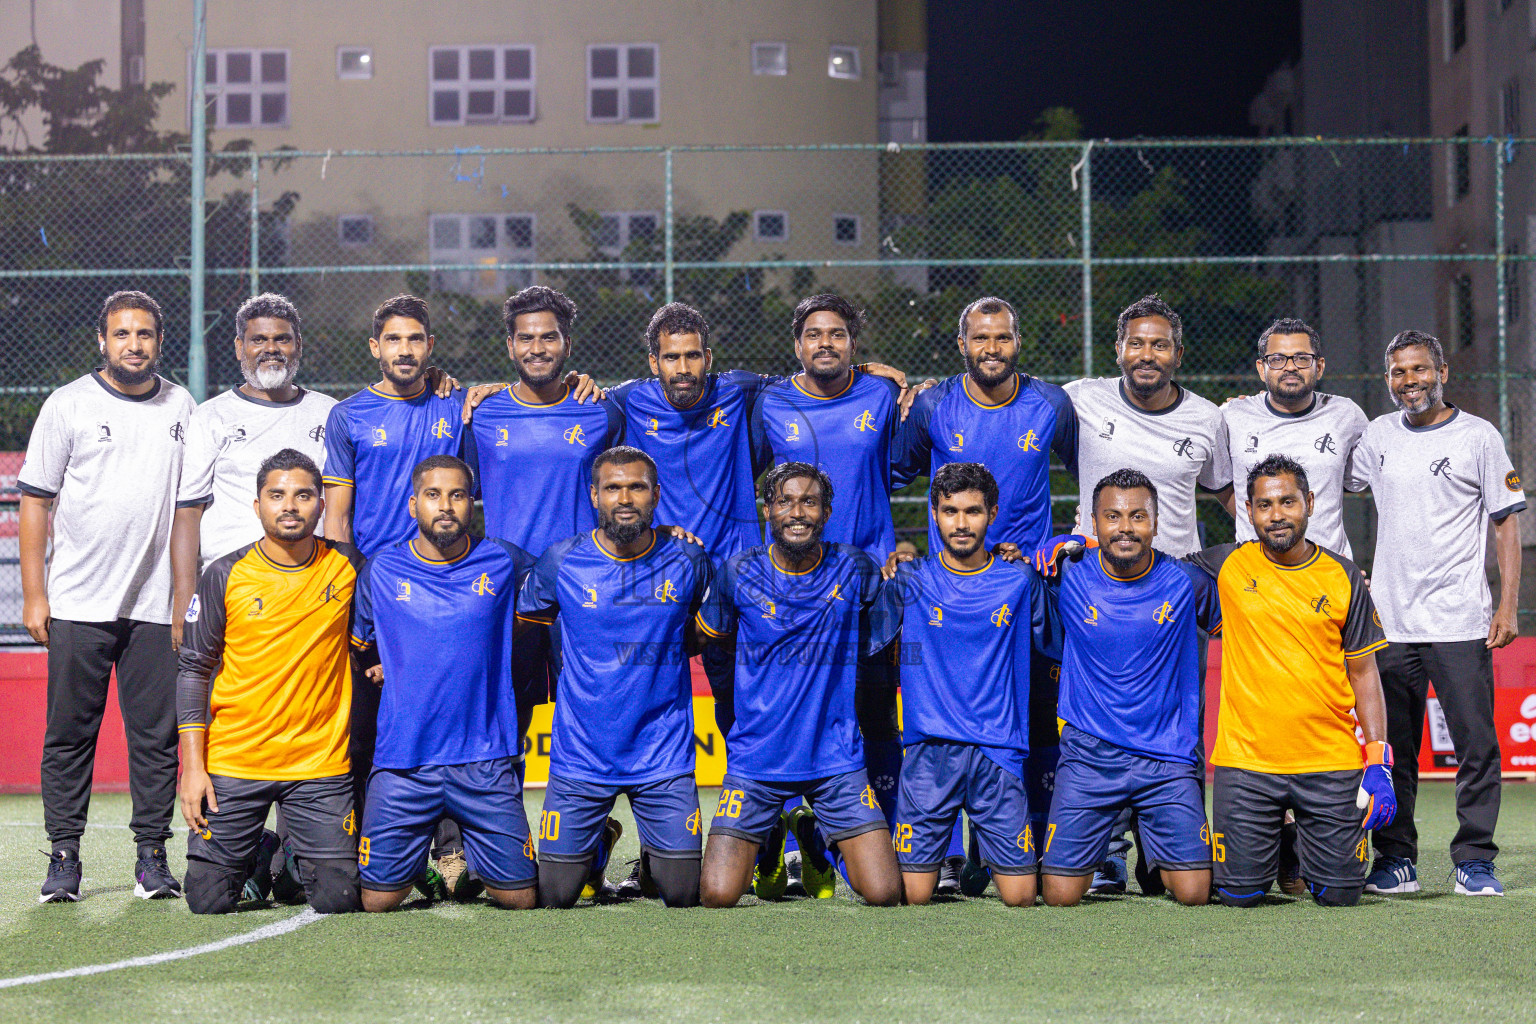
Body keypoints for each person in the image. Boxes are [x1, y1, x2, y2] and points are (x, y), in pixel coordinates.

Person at [21, 290, 195, 903]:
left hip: (153, 605)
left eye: (144, 333)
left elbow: (187, 510)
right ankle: (64, 857)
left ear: (159, 341)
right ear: (102, 340)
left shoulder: (183, 405)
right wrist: (35, 594)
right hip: (76, 603)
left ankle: (152, 856)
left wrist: (183, 597)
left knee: (156, 737)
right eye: (121, 334)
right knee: (70, 733)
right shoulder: (67, 404)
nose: (133, 344)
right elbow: (36, 501)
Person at [900, 294, 1077, 893]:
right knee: (943, 713)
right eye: (981, 338)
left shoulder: (1051, 403)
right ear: (962, 345)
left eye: (1002, 338)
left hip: (1025, 589)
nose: (992, 349)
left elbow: (1096, 476)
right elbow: (896, 469)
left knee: (1033, 722)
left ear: (1017, 342)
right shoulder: (932, 403)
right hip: (946, 595)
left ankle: (1030, 840)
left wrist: (1061, 542)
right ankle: (945, 852)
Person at [1347, 330, 1525, 897]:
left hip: (1459, 620)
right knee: (1393, 751)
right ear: (1389, 380)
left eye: (1420, 369)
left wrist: (1508, 605)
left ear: (1442, 372)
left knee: (1476, 746)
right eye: (1399, 372)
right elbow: (1327, 486)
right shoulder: (1376, 436)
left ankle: (1474, 860)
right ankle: (1397, 859)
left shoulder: (1478, 436)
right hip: (1390, 623)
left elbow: (1506, 523)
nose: (1410, 381)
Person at [1063, 294, 1231, 894]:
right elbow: (1008, 396)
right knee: (1099, 715)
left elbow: (1229, 495)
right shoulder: (1082, 399)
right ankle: (1105, 852)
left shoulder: (1210, 419)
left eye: (1159, 344)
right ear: (1118, 350)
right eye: (1136, 343)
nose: (1147, 354)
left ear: (1178, 354)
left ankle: (1165, 852)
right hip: (1098, 584)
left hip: (1175, 591)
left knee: (1180, 718)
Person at [320, 294, 487, 895]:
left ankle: (456, 852)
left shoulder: (452, 400)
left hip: (448, 589)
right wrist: (361, 589)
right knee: (369, 723)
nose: (406, 350)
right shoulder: (349, 417)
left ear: (430, 348)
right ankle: (380, 846)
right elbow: (337, 521)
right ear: (375, 348)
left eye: (416, 340)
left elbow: (475, 476)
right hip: (378, 591)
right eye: (394, 340)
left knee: (451, 717)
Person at [1184, 454, 1395, 908]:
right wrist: (1079, 545)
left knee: (1340, 895)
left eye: (1287, 502)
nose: (1276, 515)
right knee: (1240, 896)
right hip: (1247, 763)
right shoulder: (1225, 566)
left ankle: (1299, 842)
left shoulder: (1342, 576)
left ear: (1310, 503)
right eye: (1264, 505)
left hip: (1328, 760)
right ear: (1248, 510)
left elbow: (1364, 673)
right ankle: (1278, 846)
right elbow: (1146, 565)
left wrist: (1378, 759)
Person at [695, 463, 901, 908]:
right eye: (785, 501)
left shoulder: (855, 568)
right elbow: (715, 649)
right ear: (767, 510)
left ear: (826, 512)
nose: (797, 512)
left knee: (884, 893)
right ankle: (770, 839)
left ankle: (817, 842)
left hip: (836, 760)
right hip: (757, 760)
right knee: (716, 895)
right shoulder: (738, 572)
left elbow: (877, 646)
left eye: (809, 501)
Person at [516, 447, 713, 908]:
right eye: (613, 488)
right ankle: (600, 842)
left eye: (637, 487)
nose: (625, 497)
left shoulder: (688, 559)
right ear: (594, 495)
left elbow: (708, 629)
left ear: (656, 495)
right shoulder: (561, 561)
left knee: (682, 895)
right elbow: (527, 626)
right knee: (553, 898)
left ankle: (652, 858)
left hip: (662, 754)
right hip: (581, 755)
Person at [748, 295, 910, 848]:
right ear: (796, 345)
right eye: (814, 334)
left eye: (837, 334)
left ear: (854, 345)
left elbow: (910, 465)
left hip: (868, 586)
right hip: (792, 589)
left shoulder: (884, 394)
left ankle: (888, 835)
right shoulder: (769, 402)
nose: (825, 343)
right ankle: (795, 847)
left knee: (876, 715)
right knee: (793, 715)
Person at [176, 450, 365, 914]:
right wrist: (194, 769)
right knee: (206, 901)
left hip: (318, 764)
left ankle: (297, 859)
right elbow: (194, 670)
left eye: (303, 495)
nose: (289, 506)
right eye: (276, 495)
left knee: (340, 900)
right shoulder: (224, 574)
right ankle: (261, 848)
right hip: (237, 760)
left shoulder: (349, 567)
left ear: (321, 505)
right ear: (256, 504)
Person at [350, 455, 538, 911]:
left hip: (485, 760)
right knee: (377, 903)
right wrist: (384, 664)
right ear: (414, 504)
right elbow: (359, 645)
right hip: (404, 762)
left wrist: (668, 534)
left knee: (521, 900)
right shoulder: (382, 570)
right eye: (434, 495)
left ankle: (470, 856)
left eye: (457, 495)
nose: (446, 506)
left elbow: (574, 566)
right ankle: (417, 860)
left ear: (473, 503)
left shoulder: (506, 561)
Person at [1033, 469, 1220, 907]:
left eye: (1138, 516)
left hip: (1165, 759)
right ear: (1093, 524)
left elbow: (1249, 619)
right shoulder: (1066, 574)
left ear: (1156, 521)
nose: (1125, 528)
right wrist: (1045, 553)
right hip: (1090, 758)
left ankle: (1154, 857)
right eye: (1113, 516)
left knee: (1194, 894)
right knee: (1060, 896)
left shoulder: (1188, 583)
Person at [882, 463, 1051, 907]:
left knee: (1020, 898)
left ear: (992, 513)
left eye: (972, 511)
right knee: (914, 896)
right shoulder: (910, 579)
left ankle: (981, 854)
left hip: (997, 754)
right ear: (934, 513)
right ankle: (971, 853)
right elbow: (868, 645)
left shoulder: (1019, 580)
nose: (960, 523)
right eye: (949, 511)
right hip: (928, 754)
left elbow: (1057, 646)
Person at [1218, 318, 1368, 558]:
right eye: (1277, 359)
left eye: (1301, 358)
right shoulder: (1231, 417)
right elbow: (1218, 483)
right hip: (1255, 571)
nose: (1290, 367)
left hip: (1328, 570)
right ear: (1261, 368)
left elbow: (1359, 479)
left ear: (1318, 366)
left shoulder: (1346, 414)